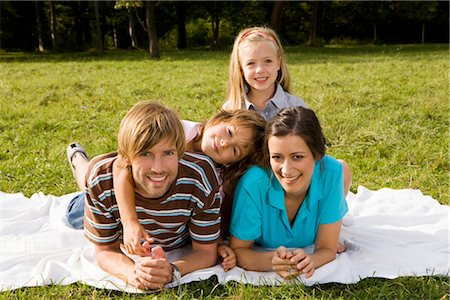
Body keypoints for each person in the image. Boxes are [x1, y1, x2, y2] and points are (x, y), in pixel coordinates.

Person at [66, 107, 266, 272]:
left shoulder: (211, 176)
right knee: (80, 204)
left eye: (234, 150)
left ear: (235, 162)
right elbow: (120, 166)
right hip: (124, 180)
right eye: (229, 132)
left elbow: (211, 217)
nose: (223, 143)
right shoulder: (179, 129)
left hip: (158, 194)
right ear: (219, 118)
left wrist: (218, 244)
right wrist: (129, 222)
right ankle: (79, 161)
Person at [69, 101, 223, 290]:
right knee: (77, 205)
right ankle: (78, 160)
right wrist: (133, 274)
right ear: (125, 157)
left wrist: (172, 270)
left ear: (180, 152)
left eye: (168, 153)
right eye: (146, 154)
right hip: (97, 189)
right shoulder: (101, 181)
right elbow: (105, 250)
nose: (158, 168)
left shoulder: (201, 176)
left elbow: (206, 252)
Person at [222, 25, 352, 197]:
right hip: (252, 185)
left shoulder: (296, 106)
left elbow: (314, 151)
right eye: (251, 63)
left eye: (268, 61)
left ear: (279, 63)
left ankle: (325, 217)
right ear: (240, 68)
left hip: (291, 179)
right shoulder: (232, 109)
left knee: (341, 168)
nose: (260, 70)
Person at [229, 106, 348, 280]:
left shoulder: (331, 172)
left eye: (297, 157)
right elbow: (239, 250)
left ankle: (337, 219)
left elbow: (328, 249)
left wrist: (312, 260)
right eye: (277, 157)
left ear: (317, 155)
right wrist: (271, 261)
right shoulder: (253, 184)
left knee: (344, 168)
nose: (286, 170)